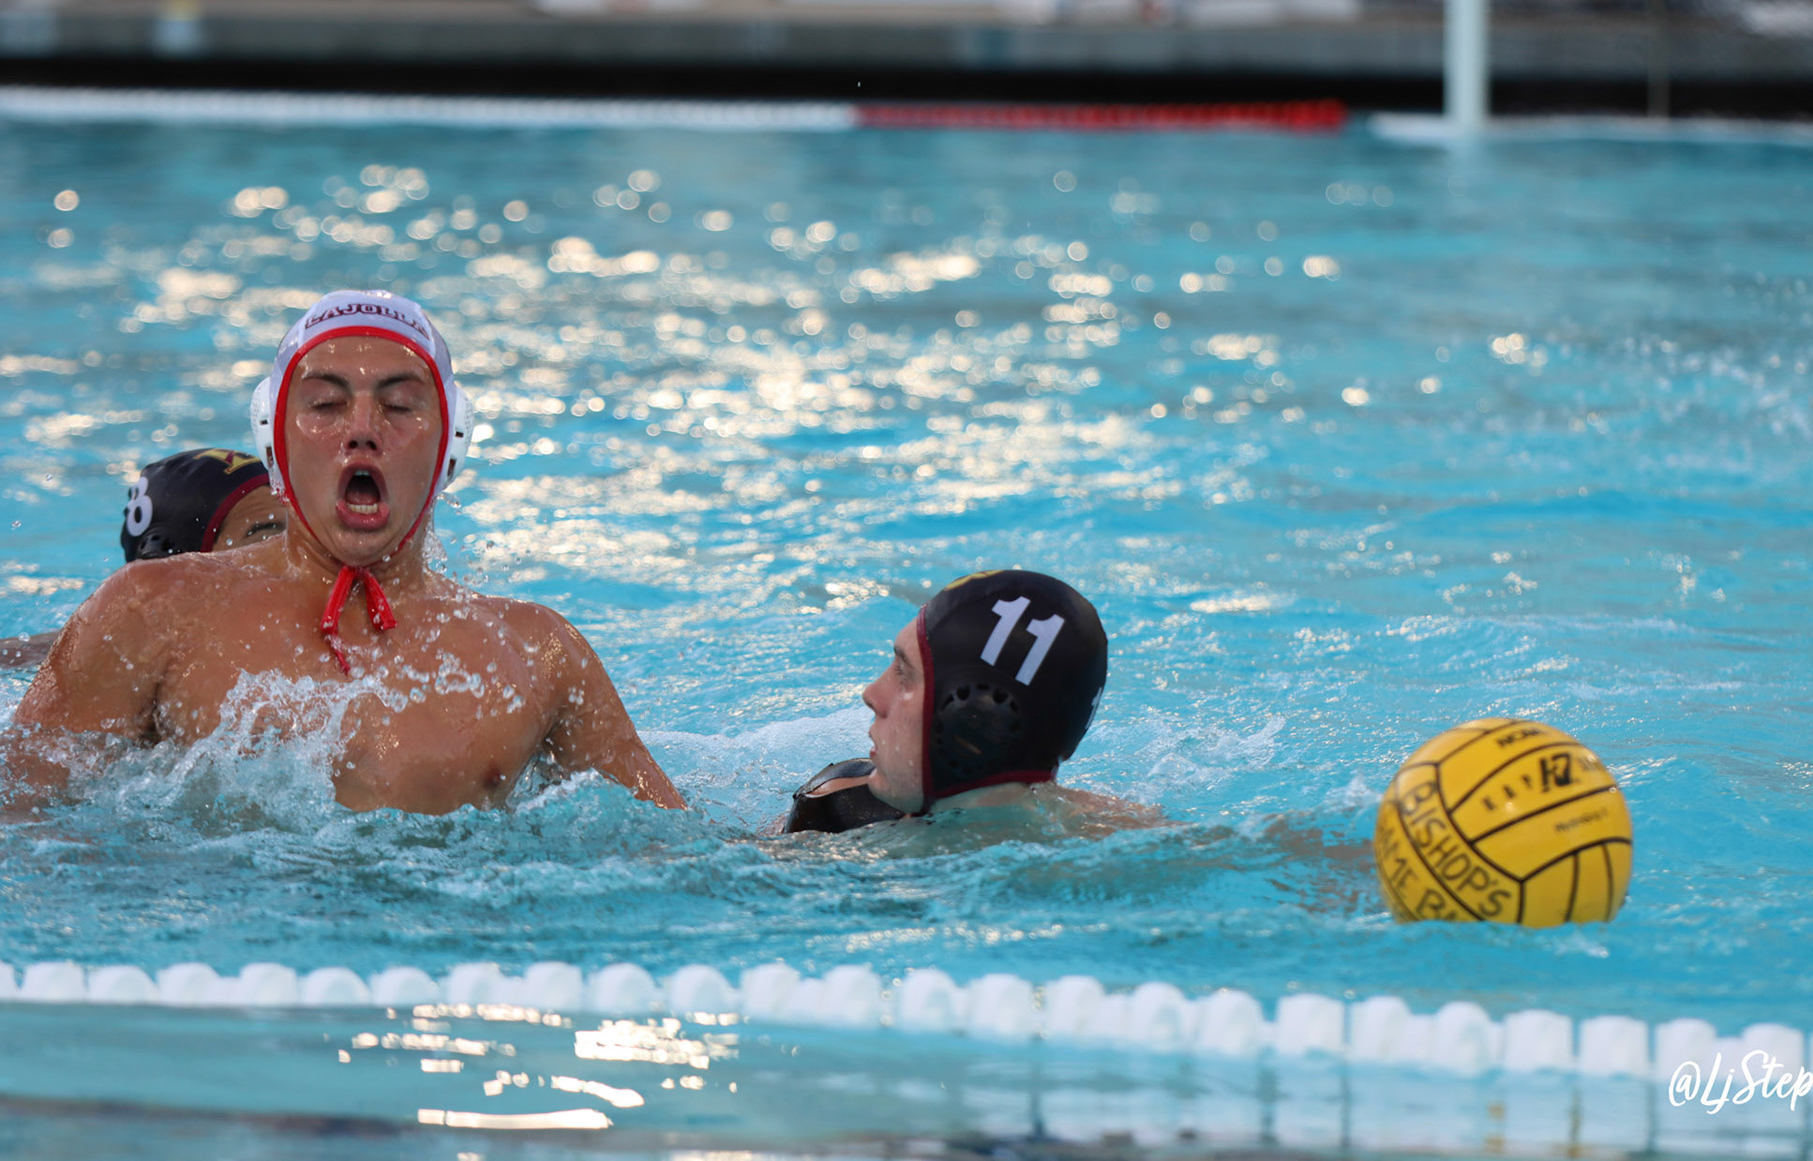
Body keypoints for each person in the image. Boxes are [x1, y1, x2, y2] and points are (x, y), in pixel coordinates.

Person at [4, 290, 683, 816]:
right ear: (274, 439)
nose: (361, 430)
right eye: (325, 404)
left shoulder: (539, 654)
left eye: (401, 406)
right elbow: (23, 824)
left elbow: (679, 853)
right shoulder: (150, 612)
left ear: (451, 444)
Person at [785, 569, 1146, 834]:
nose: (872, 695)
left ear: (976, 715)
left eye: (905, 674)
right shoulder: (834, 811)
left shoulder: (1122, 846)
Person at [0, 448, 288, 670]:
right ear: (176, 569)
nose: (298, 555)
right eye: (265, 538)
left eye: (295, 534)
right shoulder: (99, 669)